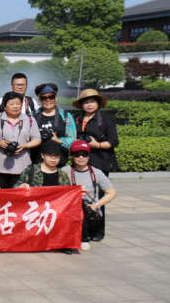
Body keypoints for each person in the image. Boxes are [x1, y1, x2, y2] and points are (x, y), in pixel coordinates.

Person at [73, 89, 119, 241]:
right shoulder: (76, 118)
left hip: (100, 161)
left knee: (98, 197)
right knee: (80, 195)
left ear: (98, 103)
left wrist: (97, 145)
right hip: (80, 161)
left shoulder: (106, 120)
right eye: (86, 102)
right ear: (81, 104)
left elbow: (114, 141)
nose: (89, 104)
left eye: (92, 101)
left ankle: (98, 231)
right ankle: (81, 229)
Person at [63, 141, 117, 250]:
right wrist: (75, 191)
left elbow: (112, 193)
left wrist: (96, 205)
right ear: (72, 156)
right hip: (70, 207)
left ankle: (84, 238)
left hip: (90, 209)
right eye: (77, 154)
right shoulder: (64, 171)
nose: (81, 157)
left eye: (85, 154)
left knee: (84, 212)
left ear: (89, 156)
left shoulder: (97, 173)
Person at [0, 92, 42, 189]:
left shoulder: (29, 120)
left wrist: (26, 146)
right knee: (1, 195)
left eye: (18, 103)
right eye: (11, 104)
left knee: (20, 196)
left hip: (22, 167)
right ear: (4, 106)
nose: (15, 106)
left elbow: (37, 139)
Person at [31, 83, 76, 165]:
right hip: (36, 161)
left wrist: (58, 141)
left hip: (59, 162)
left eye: (51, 97)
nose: (48, 100)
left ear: (56, 97)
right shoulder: (33, 116)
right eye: (44, 98)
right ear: (40, 100)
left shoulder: (66, 116)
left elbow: (72, 139)